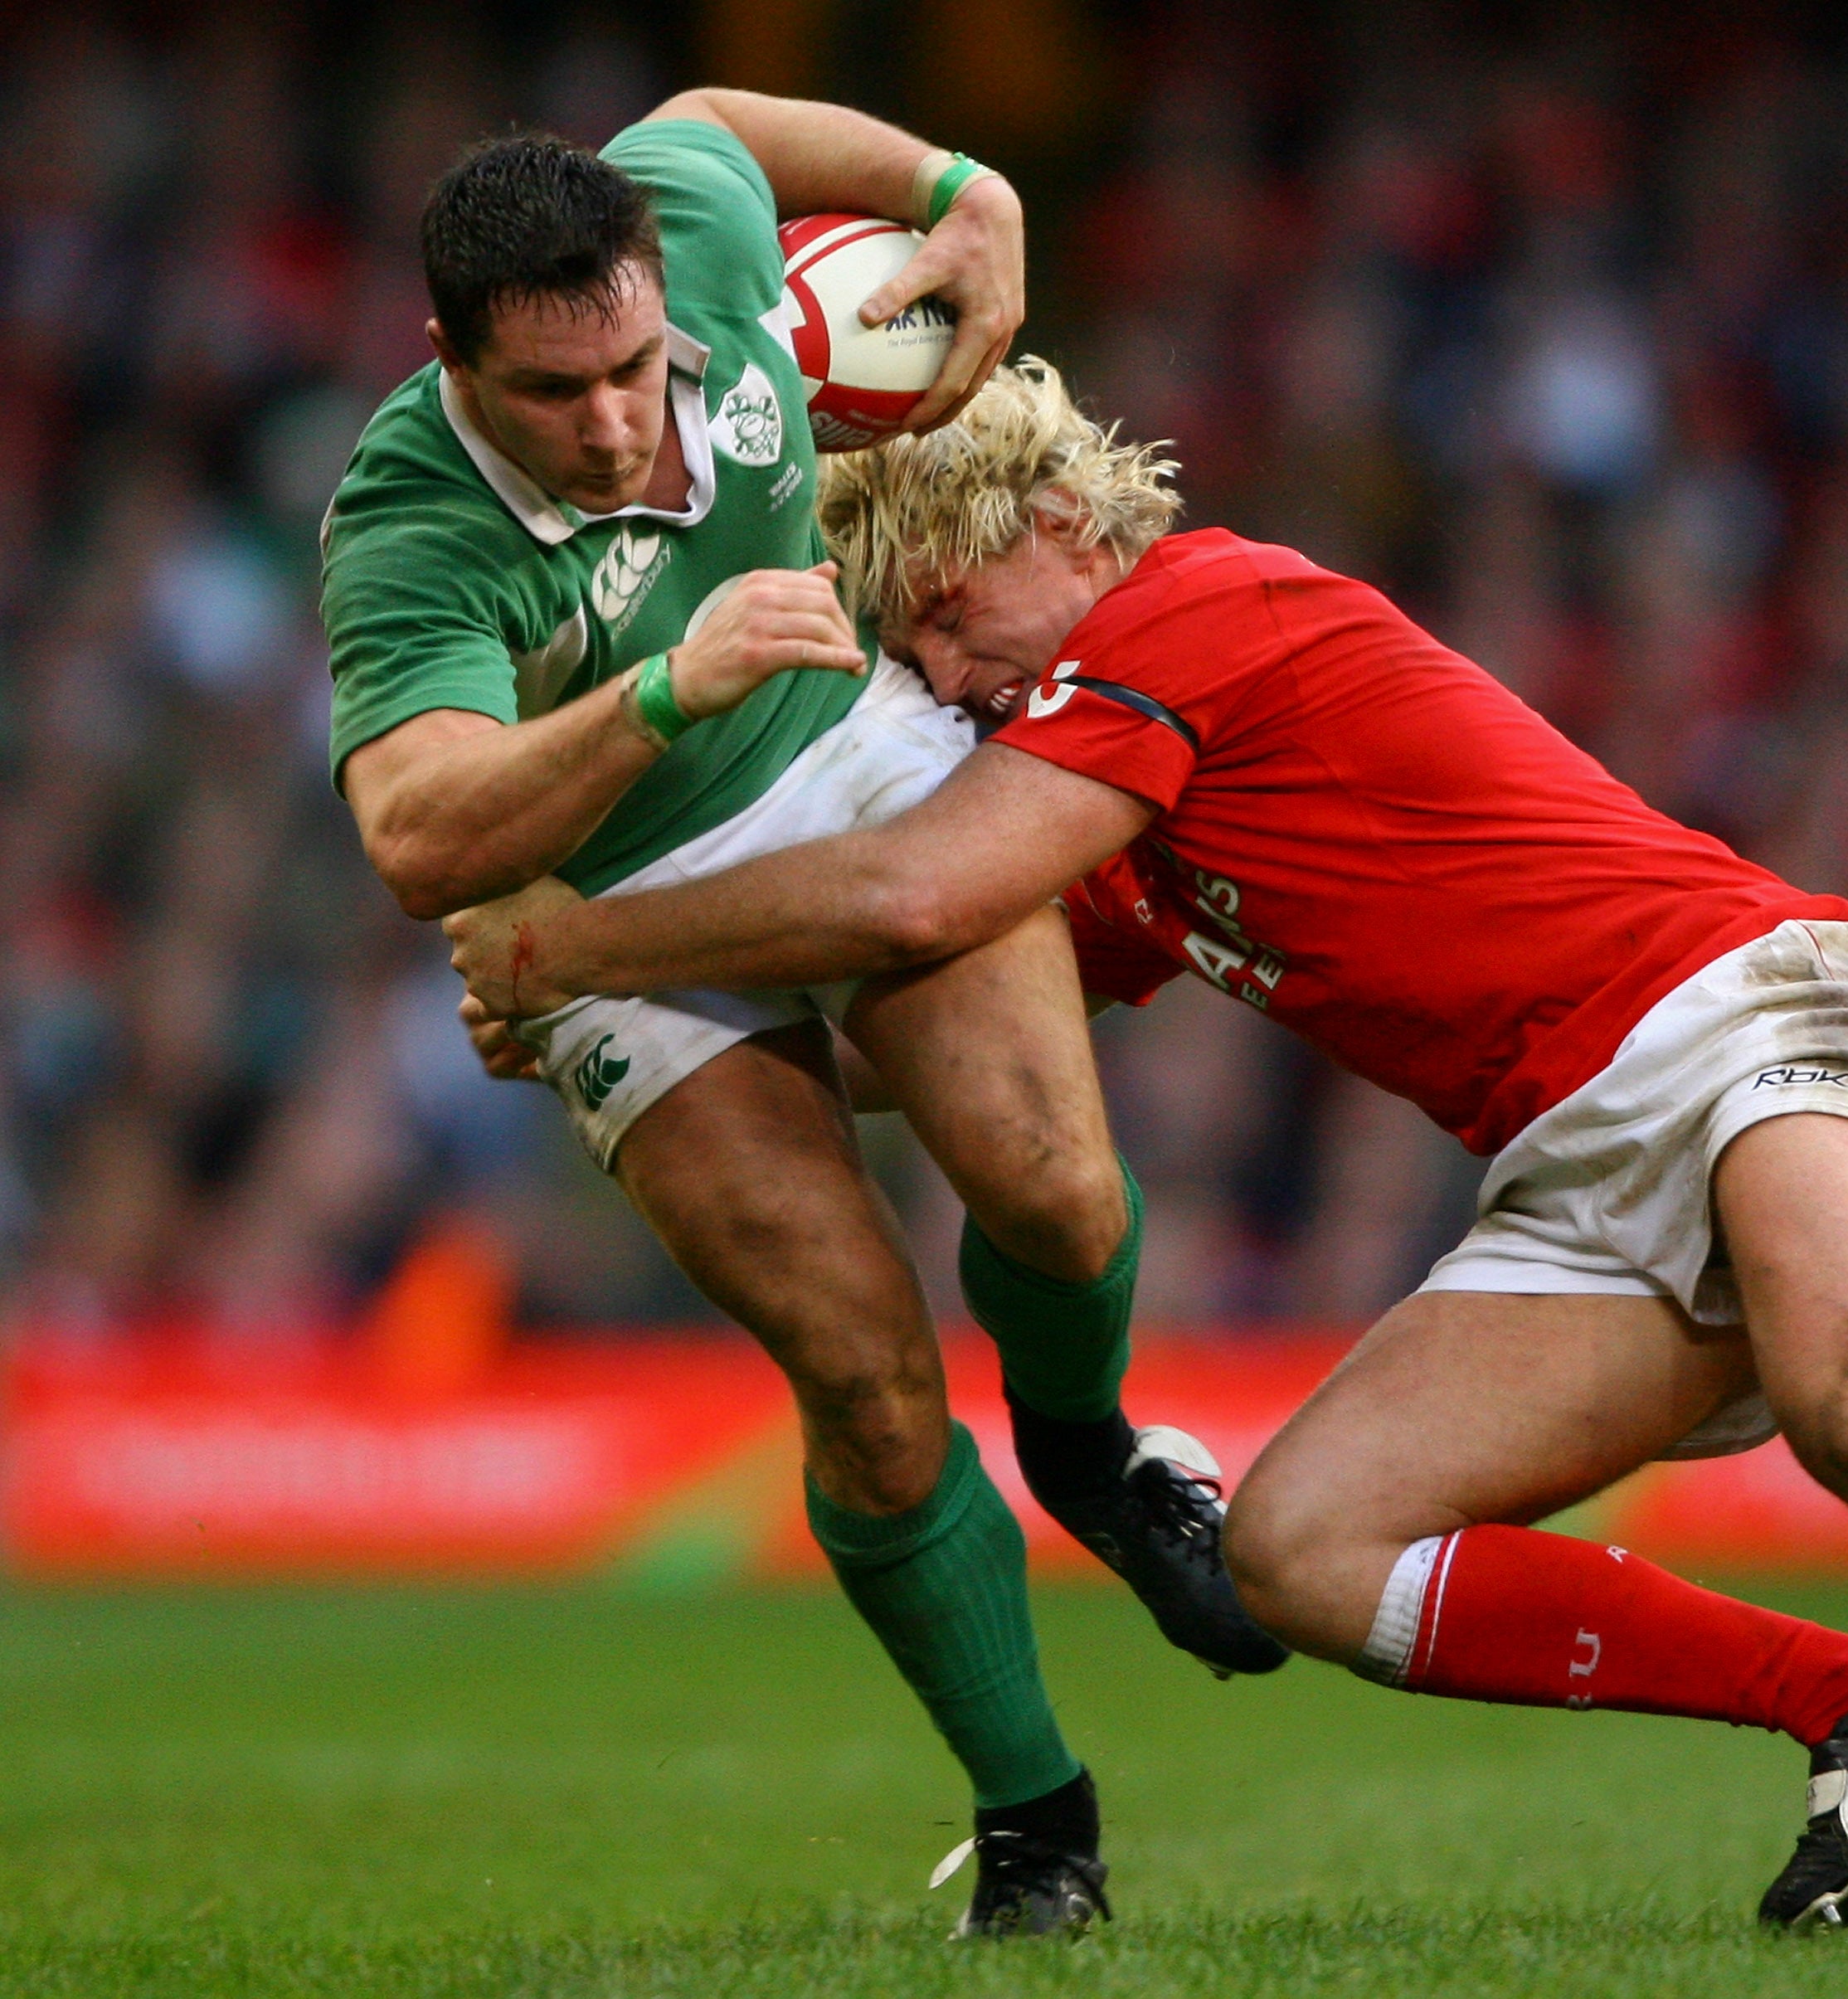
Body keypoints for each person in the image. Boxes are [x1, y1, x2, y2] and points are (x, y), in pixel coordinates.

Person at [445, 358, 1848, 1927]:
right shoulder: (1102, 790)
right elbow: (929, 1022)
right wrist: (636, 1040)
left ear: (1050, 522)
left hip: (1759, 1009)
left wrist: (576, 946)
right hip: (1576, 1155)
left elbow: (904, 898)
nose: (945, 679)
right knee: (1301, 1551)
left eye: (946, 618)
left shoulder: (1191, 604)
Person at [324, 108, 1281, 1943]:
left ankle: (1089, 1452)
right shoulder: (404, 526)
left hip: (849, 759)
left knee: (1058, 1194)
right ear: (449, 360)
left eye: (634, 364)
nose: (616, 420)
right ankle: (1037, 1824)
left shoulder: (684, 213)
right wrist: (666, 692)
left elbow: (705, 123)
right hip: (617, 928)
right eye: (554, 392)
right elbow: (416, 834)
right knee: (859, 1364)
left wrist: (963, 193)